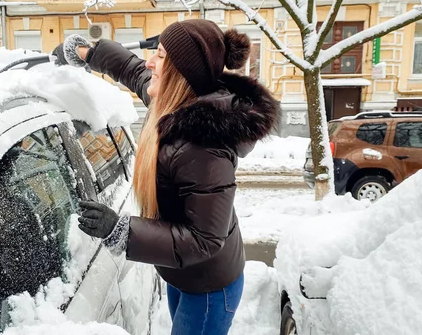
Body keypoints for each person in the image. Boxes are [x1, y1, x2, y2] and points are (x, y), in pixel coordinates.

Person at [58, 19, 280, 335]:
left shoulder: (203, 146)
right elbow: (133, 70)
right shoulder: (173, 103)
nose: (151, 62)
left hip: (207, 289)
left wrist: (122, 231)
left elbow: (204, 238)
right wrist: (87, 51)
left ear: (181, 72)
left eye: (160, 56)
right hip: (183, 272)